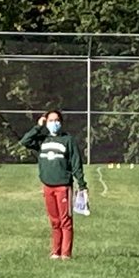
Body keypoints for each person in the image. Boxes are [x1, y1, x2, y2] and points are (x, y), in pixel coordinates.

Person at [19, 109, 88, 259]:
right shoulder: (42, 140)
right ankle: (55, 252)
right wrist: (38, 126)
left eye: (56, 120)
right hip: (47, 186)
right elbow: (25, 141)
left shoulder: (68, 140)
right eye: (50, 120)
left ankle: (66, 254)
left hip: (63, 186)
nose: (54, 123)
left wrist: (82, 185)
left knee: (65, 221)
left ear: (61, 123)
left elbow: (76, 163)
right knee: (54, 221)